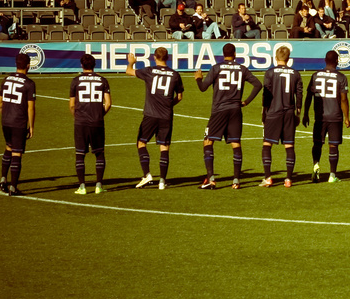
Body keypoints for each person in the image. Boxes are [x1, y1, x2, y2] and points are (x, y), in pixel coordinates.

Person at [195, 42, 263, 189]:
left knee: (208, 141)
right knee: (235, 142)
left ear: (223, 54)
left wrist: (198, 78)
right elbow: (258, 84)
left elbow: (202, 88)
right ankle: (236, 181)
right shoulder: (242, 69)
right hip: (235, 110)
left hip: (219, 110)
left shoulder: (216, 68)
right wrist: (246, 102)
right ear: (235, 54)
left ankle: (211, 179)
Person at [126, 47, 183, 188]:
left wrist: (131, 62)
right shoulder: (175, 75)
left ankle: (147, 175)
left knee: (141, 143)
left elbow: (128, 71)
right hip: (166, 116)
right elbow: (180, 97)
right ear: (168, 58)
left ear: (154, 57)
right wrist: (169, 105)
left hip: (150, 115)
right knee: (164, 146)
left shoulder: (149, 71)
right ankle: (162, 181)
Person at [66, 53, 113, 194]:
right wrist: (99, 115)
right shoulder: (102, 80)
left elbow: (72, 105)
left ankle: (82, 187)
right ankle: (99, 185)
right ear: (94, 65)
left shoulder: (76, 81)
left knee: (80, 154)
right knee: (99, 153)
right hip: (97, 122)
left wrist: (78, 117)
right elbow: (108, 103)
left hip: (81, 122)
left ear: (82, 65)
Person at [258, 45, 302, 188]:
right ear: (288, 59)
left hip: (273, 112)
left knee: (267, 144)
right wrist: (298, 113)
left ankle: (268, 177)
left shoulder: (270, 73)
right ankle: (288, 179)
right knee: (289, 145)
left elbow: (266, 93)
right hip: (289, 113)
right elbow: (299, 93)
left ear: (275, 58)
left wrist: (264, 111)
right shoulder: (295, 73)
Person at [304, 50, 350, 182]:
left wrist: (306, 113)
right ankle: (332, 175)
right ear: (337, 61)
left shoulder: (315, 75)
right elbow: (343, 99)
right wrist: (346, 117)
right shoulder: (341, 77)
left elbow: (309, 96)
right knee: (333, 145)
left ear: (325, 60)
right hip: (335, 116)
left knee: (317, 144)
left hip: (320, 116)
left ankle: (315, 165)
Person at [0, 51, 38, 196]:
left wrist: (6, 116)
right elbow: (30, 107)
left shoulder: (6, 79)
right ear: (28, 66)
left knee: (8, 147)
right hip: (18, 122)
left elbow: (0, 103)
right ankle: (13, 187)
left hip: (5, 121)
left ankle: (3, 179)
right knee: (17, 153)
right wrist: (31, 126)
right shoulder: (29, 84)